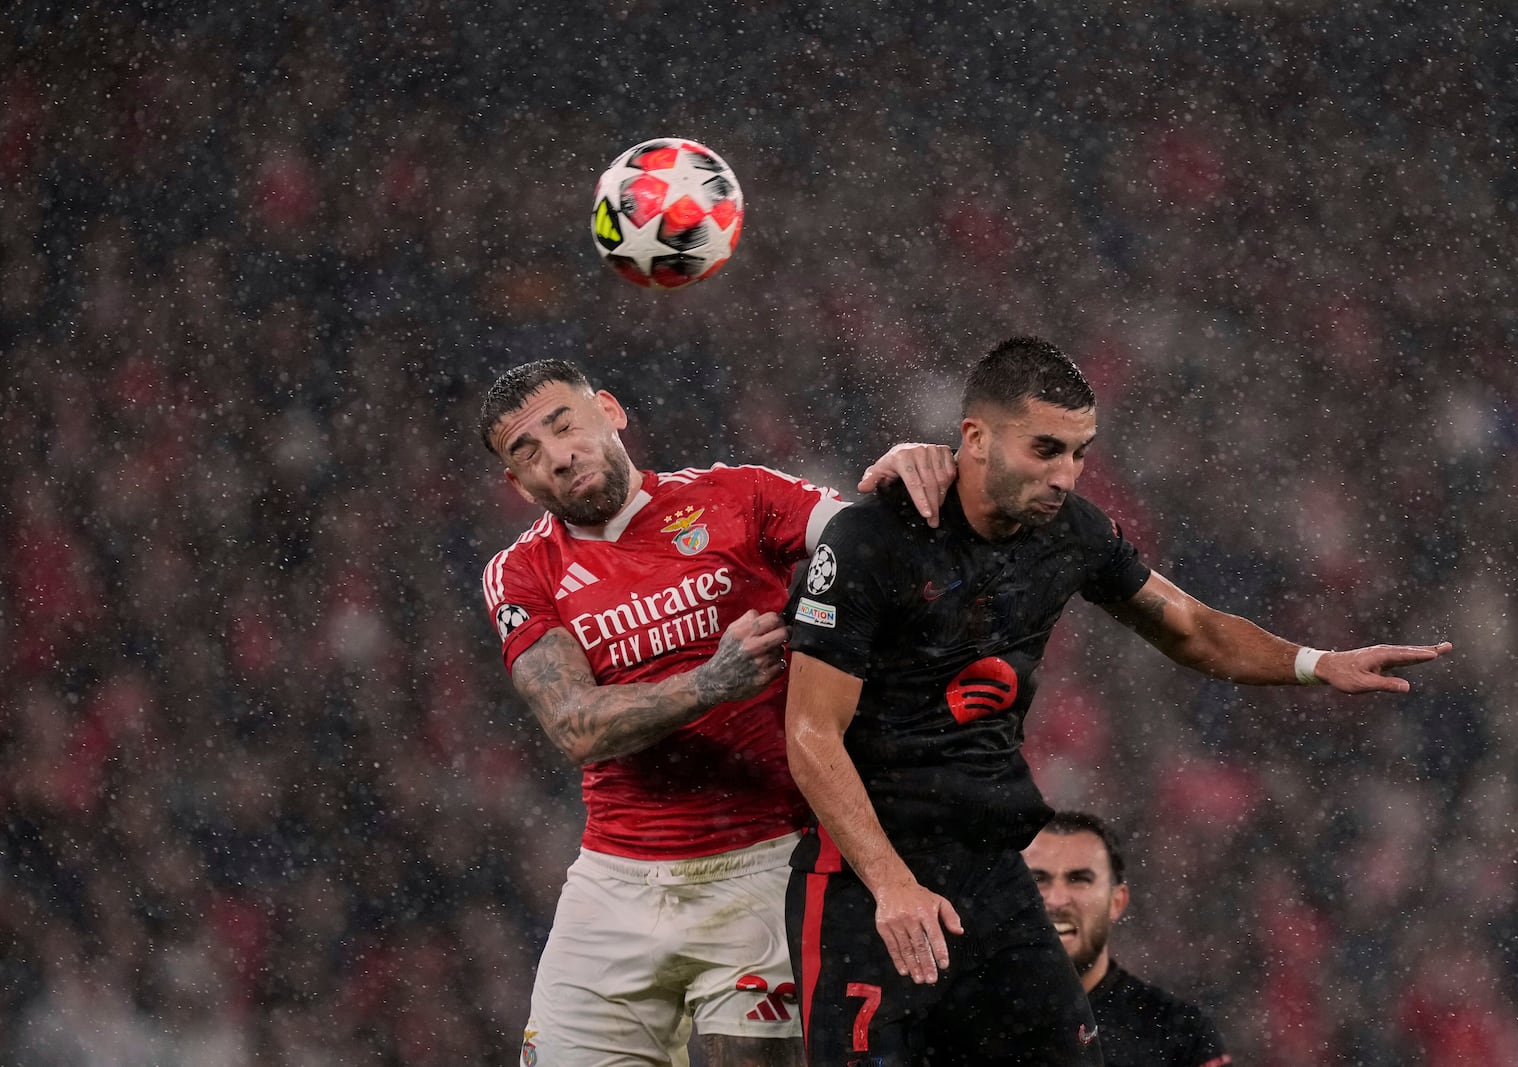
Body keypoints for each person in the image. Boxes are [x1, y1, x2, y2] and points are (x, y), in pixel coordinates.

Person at [782, 335, 1451, 1067]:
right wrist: (892, 883)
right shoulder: (871, 541)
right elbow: (813, 732)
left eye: (1079, 452)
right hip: (862, 881)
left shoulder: (1070, 534)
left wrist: (1317, 663)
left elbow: (1192, 628)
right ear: (974, 437)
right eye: (1045, 449)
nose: (1065, 474)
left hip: (995, 870)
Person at [477, 359, 955, 1067]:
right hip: (614, 881)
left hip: (763, 866)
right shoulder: (521, 571)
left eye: (563, 424)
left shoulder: (740, 496)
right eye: (528, 452)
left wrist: (906, 480)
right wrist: (710, 683)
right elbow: (574, 724)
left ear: (609, 410)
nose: (557, 454)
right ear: (518, 484)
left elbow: (879, 547)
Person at [1024, 811, 1231, 1067]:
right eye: (1037, 879)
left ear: (1117, 901)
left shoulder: (1179, 1035)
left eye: (1079, 880)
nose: (1056, 899)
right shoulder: (966, 1019)